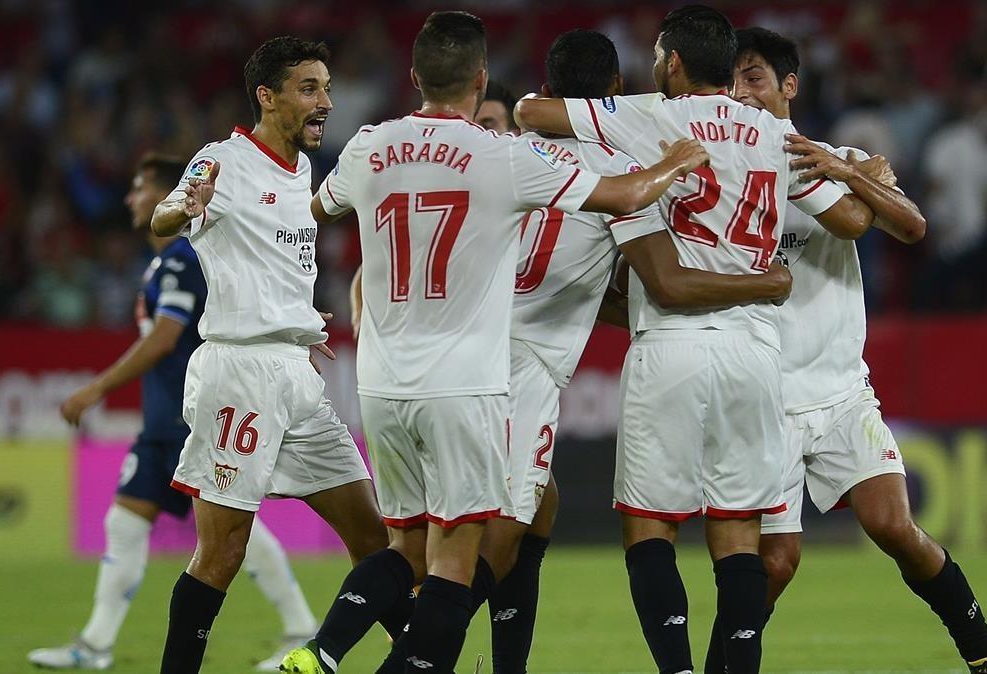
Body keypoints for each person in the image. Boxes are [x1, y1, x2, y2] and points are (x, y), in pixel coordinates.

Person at [281, 11, 710, 674]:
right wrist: (676, 160)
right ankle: (367, 657)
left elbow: (311, 211)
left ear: (416, 73)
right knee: (478, 550)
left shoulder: (379, 144)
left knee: (468, 531)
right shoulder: (514, 155)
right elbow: (639, 230)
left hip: (388, 375)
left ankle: (330, 648)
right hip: (505, 371)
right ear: (482, 78)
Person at [515, 6, 873, 673]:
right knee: (739, 532)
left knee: (650, 526)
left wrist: (631, 111)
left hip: (672, 344)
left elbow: (536, 114)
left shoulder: (656, 116)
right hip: (758, 355)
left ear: (672, 63)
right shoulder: (772, 132)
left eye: (657, 55)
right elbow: (852, 217)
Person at [721, 27, 987, 674]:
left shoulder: (838, 156)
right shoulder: (726, 171)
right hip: (765, 397)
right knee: (778, 562)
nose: (741, 90)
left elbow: (911, 225)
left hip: (841, 390)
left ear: (790, 86)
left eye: (755, 77)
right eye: (733, 79)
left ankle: (986, 660)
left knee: (895, 530)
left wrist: (848, 170)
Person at [150, 37, 402, 674]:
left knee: (375, 540)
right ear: (268, 96)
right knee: (223, 553)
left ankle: (423, 661)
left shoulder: (305, 172)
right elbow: (164, 215)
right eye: (310, 89)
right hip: (239, 373)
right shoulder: (224, 160)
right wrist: (183, 204)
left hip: (296, 375)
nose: (327, 103)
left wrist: (297, 319)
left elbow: (274, 263)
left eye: (326, 88)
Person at [27, 154, 321, 672]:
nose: (131, 198)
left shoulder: (185, 257)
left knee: (232, 535)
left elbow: (165, 338)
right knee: (129, 522)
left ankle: (300, 627)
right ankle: (95, 645)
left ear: (165, 192)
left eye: (140, 187)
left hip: (191, 421)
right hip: (164, 425)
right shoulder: (164, 263)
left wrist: (94, 389)